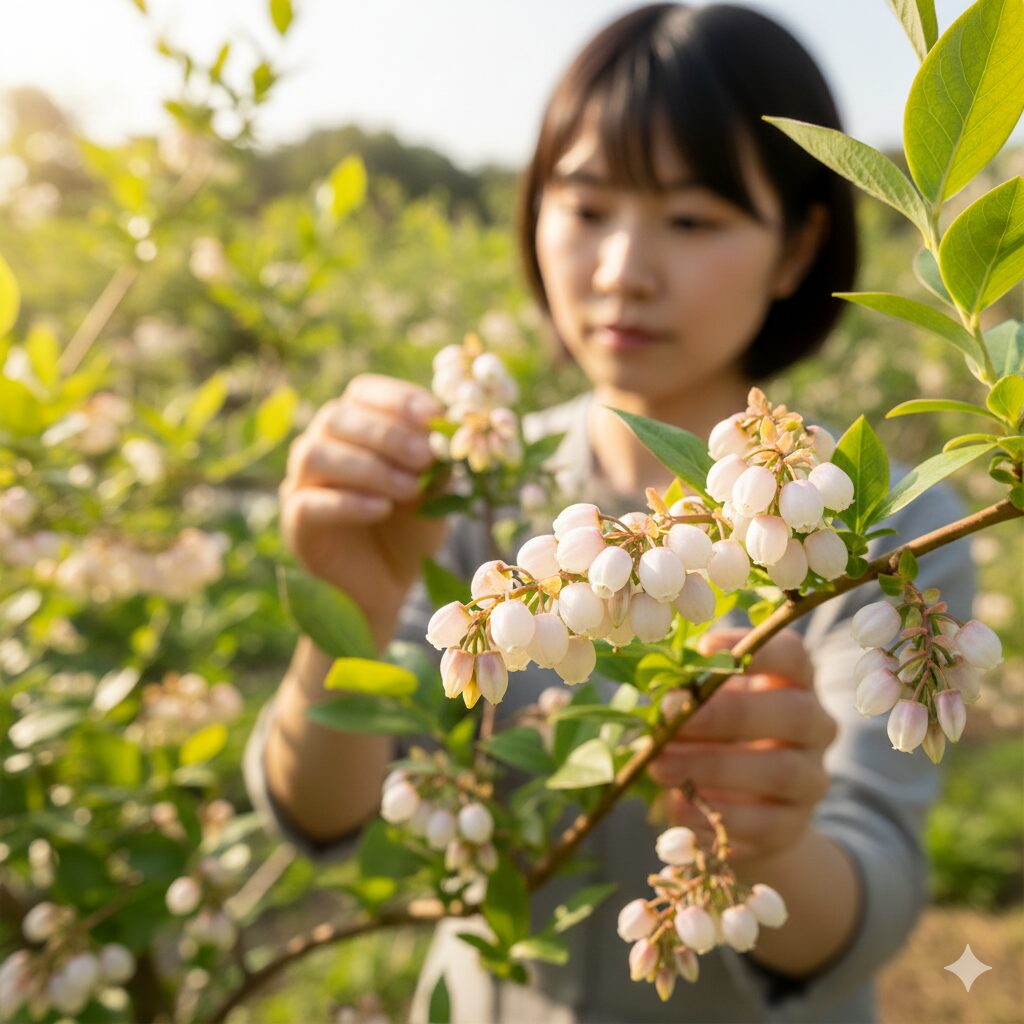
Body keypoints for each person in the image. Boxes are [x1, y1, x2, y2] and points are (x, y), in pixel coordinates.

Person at [246, 4, 975, 1021]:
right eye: (585, 208)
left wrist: (770, 839)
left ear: (798, 246)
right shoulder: (470, 497)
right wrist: (344, 619)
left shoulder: (883, 527)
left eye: (690, 219)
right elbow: (331, 821)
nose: (621, 269)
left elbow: (875, 899)